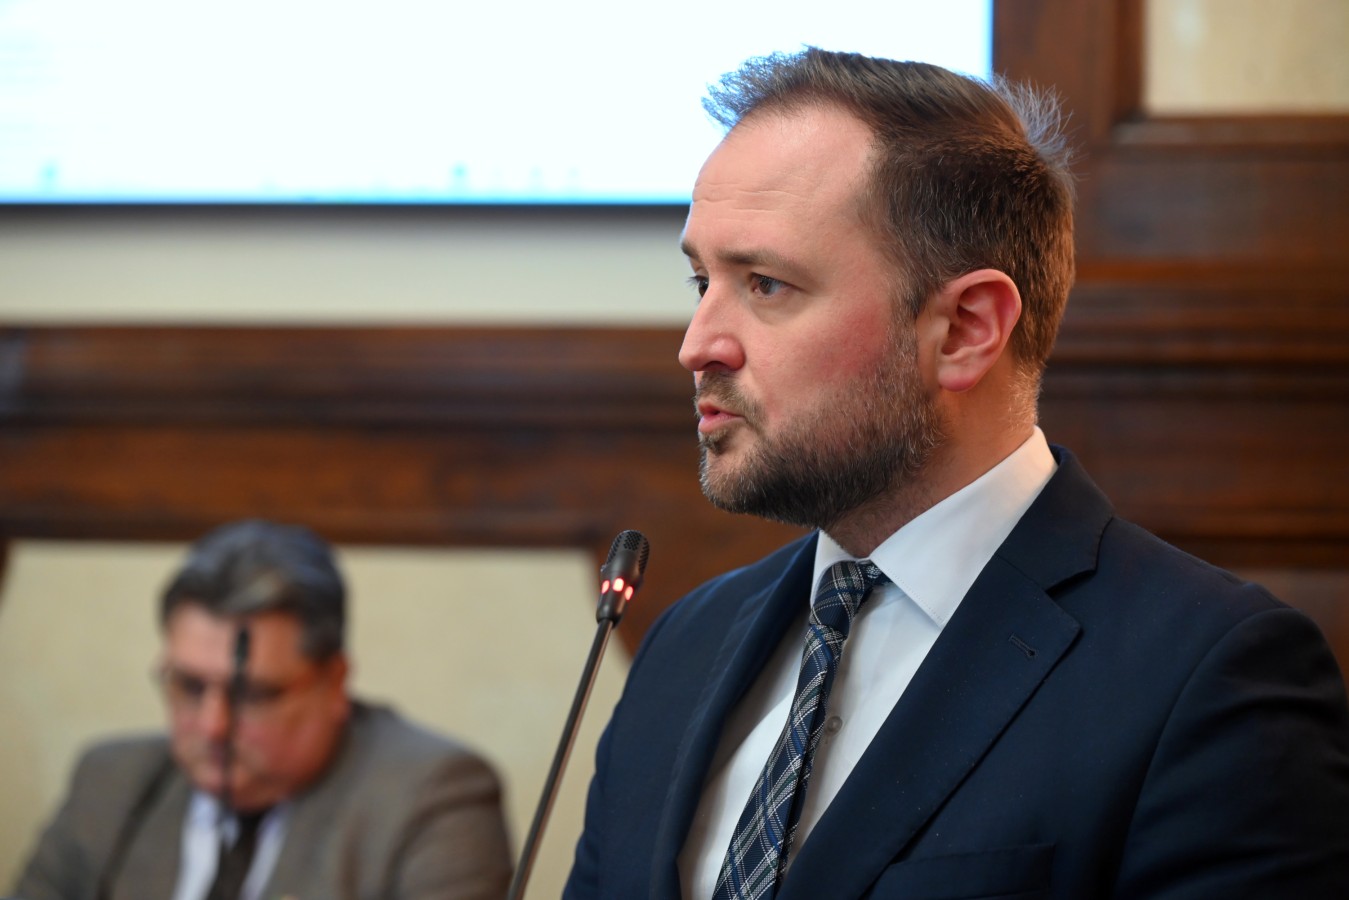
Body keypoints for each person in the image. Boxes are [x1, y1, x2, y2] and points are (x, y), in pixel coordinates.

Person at [563, 48, 1349, 899]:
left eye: (766, 285)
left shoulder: (1206, 675)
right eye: (700, 281)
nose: (698, 345)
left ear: (968, 328)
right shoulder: (685, 642)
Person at [14, 519, 513, 900]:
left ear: (335, 682)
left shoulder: (433, 800)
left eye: (252, 695)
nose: (213, 726)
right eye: (189, 686)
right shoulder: (109, 783)